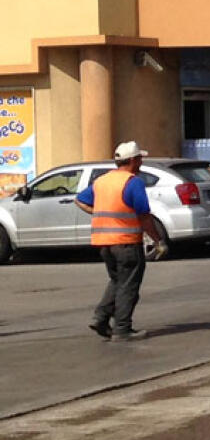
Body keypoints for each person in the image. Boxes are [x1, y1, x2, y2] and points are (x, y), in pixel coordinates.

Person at [75, 141, 164, 341]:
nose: (141, 161)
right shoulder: (133, 182)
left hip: (103, 243)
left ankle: (101, 318)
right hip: (125, 242)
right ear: (133, 160)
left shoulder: (102, 181)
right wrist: (158, 241)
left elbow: (80, 199)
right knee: (128, 285)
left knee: (118, 281)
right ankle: (122, 328)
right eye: (140, 158)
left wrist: (97, 212)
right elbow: (143, 215)